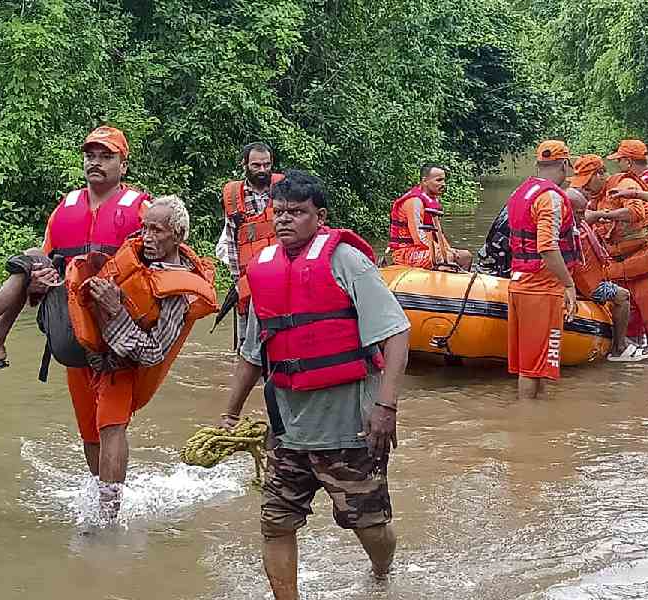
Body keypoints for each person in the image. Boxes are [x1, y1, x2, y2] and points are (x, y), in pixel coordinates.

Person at [220, 170, 410, 598]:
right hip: (287, 430)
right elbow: (253, 353)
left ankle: (382, 574)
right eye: (279, 212)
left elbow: (397, 332)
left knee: (370, 526)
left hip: (349, 430)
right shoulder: (264, 270)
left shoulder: (348, 261)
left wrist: (386, 407)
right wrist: (229, 413)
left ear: (319, 216)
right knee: (275, 523)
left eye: (298, 213)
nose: (285, 220)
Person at [0, 125, 150, 370]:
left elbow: (163, 271)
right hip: (71, 325)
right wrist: (36, 284)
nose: (96, 162)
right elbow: (41, 270)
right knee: (31, 258)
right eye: (90, 156)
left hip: (115, 327)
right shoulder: (65, 208)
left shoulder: (143, 210)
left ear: (123, 166)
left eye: (106, 157)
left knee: (32, 257)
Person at [65, 195, 217, 522]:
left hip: (125, 366)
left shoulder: (178, 291)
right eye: (145, 228)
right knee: (89, 433)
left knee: (110, 429)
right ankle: (101, 498)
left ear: (177, 235)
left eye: (157, 231)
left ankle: (108, 518)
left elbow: (153, 352)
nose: (147, 237)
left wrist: (115, 310)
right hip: (92, 356)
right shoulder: (134, 252)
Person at [506, 141, 579, 400]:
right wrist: (569, 284)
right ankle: (531, 430)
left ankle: (537, 423)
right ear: (565, 164)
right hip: (542, 289)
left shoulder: (521, 192)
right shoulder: (551, 198)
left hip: (520, 283)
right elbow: (547, 247)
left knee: (533, 368)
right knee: (532, 369)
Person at [594, 140, 648, 356]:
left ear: (627, 161)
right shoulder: (636, 183)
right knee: (633, 323)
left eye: (619, 160)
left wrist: (603, 215)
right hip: (625, 264)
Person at [215, 142, 285, 344]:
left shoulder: (284, 190)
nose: (263, 170)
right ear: (244, 165)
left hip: (281, 278)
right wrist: (239, 283)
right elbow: (231, 242)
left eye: (266, 164)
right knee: (248, 344)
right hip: (249, 281)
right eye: (256, 165)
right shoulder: (234, 198)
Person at [565, 186, 646, 361]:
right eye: (579, 213)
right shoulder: (567, 232)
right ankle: (619, 348)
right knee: (623, 296)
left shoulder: (576, 223)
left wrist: (604, 214)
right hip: (587, 285)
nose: (582, 217)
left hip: (590, 278)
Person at [388, 163, 472, 271]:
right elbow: (419, 238)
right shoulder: (414, 202)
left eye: (444, 180)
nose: (443, 184)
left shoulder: (432, 200)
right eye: (439, 180)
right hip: (405, 252)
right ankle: (440, 283)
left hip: (424, 249)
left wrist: (448, 249)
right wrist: (442, 250)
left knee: (466, 256)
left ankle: (462, 283)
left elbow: (438, 233)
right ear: (425, 181)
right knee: (446, 256)